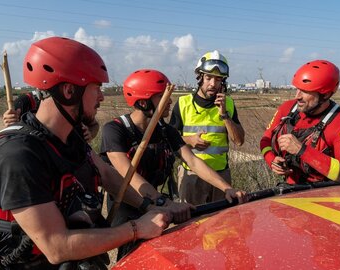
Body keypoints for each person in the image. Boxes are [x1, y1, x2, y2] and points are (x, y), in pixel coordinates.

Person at [0, 37, 171, 269]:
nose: (102, 97)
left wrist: (151, 206)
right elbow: (57, 246)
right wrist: (136, 229)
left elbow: (106, 174)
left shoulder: (68, 136)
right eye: (97, 88)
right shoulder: (18, 155)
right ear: (69, 91)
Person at [100, 69, 246, 258]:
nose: (170, 101)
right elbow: (128, 174)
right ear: (144, 102)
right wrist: (164, 202)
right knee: (131, 256)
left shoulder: (165, 130)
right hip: (128, 204)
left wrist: (227, 188)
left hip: (155, 203)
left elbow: (192, 161)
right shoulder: (115, 130)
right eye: (163, 96)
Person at [260, 60, 340, 185]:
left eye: (305, 91)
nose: (297, 96)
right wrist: (272, 160)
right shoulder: (287, 108)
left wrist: (301, 150)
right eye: (297, 89)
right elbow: (265, 140)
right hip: (290, 191)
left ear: (326, 94)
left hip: (323, 195)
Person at [169, 50, 245, 205]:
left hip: (221, 176)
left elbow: (239, 141)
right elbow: (169, 141)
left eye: (218, 79)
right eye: (208, 77)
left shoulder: (228, 104)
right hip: (191, 175)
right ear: (200, 77)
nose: (212, 84)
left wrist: (224, 115)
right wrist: (189, 140)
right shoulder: (183, 103)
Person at [2, 90, 99, 142]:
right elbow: (13, 125)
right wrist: (9, 122)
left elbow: (94, 125)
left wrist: (90, 134)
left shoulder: (70, 101)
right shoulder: (24, 101)